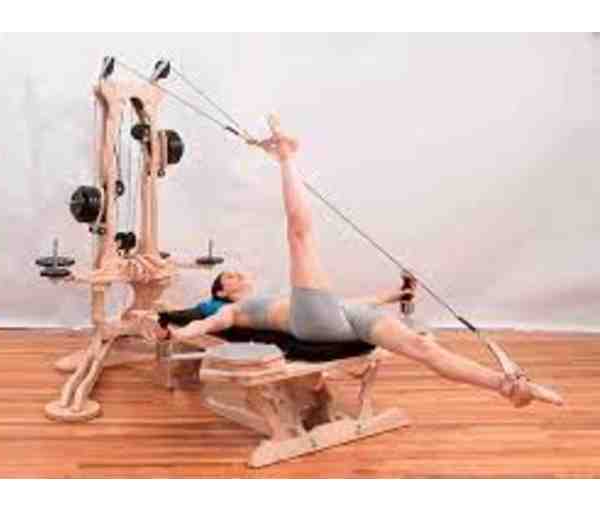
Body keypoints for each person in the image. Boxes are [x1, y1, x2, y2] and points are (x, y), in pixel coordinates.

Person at [156, 115, 562, 408]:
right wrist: (182, 329)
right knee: (300, 236)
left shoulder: (272, 295)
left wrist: (394, 295)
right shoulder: (233, 310)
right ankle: (286, 158)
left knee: (423, 347)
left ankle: (507, 386)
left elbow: (348, 303)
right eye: (229, 276)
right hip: (313, 324)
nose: (237, 274)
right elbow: (206, 323)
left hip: (343, 315)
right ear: (223, 292)